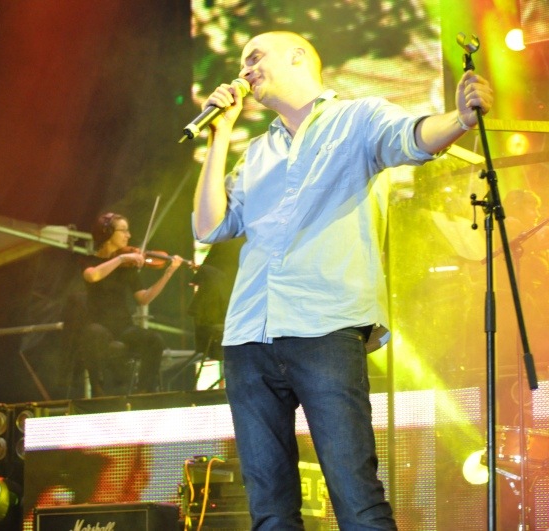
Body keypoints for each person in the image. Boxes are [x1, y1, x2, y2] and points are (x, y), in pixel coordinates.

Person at [191, 31, 493, 529]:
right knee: (268, 507)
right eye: (243, 61)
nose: (244, 70)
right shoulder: (258, 151)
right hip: (248, 334)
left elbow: (412, 138)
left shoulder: (358, 118)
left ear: (298, 57)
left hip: (325, 327)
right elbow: (209, 227)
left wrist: (459, 119)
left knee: (355, 496)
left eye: (254, 57)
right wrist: (219, 135)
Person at [76, 212, 183, 397]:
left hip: (124, 327)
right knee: (94, 333)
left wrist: (168, 273)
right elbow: (93, 276)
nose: (129, 235)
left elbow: (144, 298)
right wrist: (121, 259)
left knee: (154, 340)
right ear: (107, 232)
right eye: (123, 230)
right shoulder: (90, 261)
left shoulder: (127, 268)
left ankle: (144, 391)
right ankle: (98, 391)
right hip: (99, 326)